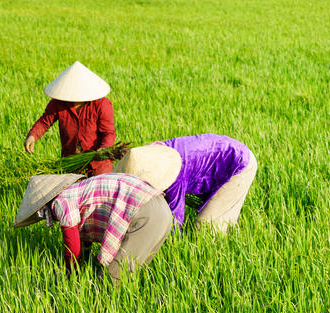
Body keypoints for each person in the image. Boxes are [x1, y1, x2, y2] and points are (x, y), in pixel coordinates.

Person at [14, 173, 172, 283]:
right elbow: (84, 240)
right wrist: (83, 263)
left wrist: (71, 274)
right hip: (162, 210)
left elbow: (72, 245)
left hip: (144, 213)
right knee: (132, 275)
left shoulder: (62, 202)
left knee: (110, 281)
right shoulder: (79, 191)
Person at [113, 134, 257, 232]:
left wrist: (170, 245)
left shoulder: (173, 172)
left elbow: (174, 218)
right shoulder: (148, 155)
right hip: (221, 155)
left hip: (237, 163)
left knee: (207, 228)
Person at [24, 61, 115, 176]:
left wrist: (103, 150)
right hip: (71, 161)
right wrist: (32, 137)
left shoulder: (101, 104)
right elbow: (44, 122)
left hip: (98, 164)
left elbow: (108, 133)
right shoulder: (58, 103)